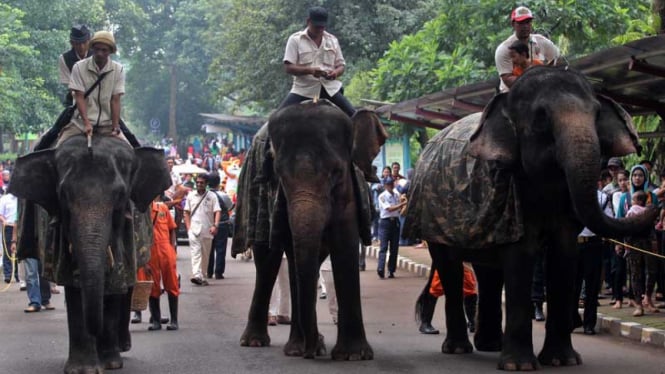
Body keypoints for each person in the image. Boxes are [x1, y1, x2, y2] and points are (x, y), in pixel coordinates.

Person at [55, 30, 138, 147]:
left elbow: (115, 100)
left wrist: (115, 126)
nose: (99, 53)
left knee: (132, 151)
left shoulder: (118, 69)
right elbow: (79, 97)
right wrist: (86, 123)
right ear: (92, 48)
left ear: (110, 52)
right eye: (97, 49)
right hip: (80, 124)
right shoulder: (78, 67)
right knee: (58, 149)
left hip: (107, 124)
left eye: (104, 50)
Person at [278, 6, 355, 117]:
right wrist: (311, 71)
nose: (319, 30)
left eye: (322, 27)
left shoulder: (332, 40)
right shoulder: (295, 40)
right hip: (303, 90)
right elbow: (288, 67)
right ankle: (262, 135)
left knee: (355, 116)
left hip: (330, 90)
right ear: (308, 22)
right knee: (277, 118)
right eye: (316, 26)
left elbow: (341, 65)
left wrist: (335, 73)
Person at [573, 174, 613, 335]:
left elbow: (610, 219)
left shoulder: (603, 198)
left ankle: (589, 323)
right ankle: (572, 318)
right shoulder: (572, 196)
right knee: (572, 285)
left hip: (594, 244)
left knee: (592, 286)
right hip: (574, 244)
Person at [138, 195, 180, 330]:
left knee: (172, 284)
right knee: (153, 287)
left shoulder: (162, 208)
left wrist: (172, 249)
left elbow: (172, 229)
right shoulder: (141, 213)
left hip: (166, 250)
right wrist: (143, 261)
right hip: (150, 252)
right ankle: (156, 320)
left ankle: (174, 320)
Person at [495, 6, 560, 92]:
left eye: (528, 22)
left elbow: (557, 60)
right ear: (513, 24)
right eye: (521, 23)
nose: (525, 26)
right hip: (512, 94)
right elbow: (508, 79)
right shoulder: (504, 49)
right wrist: (535, 80)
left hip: (541, 91)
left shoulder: (542, 42)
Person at [11, 203, 54, 313]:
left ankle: (45, 299)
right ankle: (35, 302)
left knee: (44, 272)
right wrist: (14, 241)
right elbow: (17, 220)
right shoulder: (22, 203)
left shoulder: (43, 200)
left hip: (43, 241)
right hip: (28, 243)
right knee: (31, 273)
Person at [184, 174, 221, 285]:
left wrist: (216, 225)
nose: (199, 184)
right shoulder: (191, 196)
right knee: (195, 253)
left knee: (205, 255)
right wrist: (188, 228)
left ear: (206, 184)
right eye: (198, 182)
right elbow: (186, 212)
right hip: (194, 230)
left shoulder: (212, 196)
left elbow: (217, 211)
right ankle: (196, 274)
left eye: (202, 182)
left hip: (207, 230)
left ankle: (202, 276)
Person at [377, 177, 407, 279]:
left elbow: (401, 206)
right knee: (384, 247)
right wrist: (402, 204)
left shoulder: (397, 194)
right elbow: (389, 209)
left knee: (394, 248)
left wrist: (403, 203)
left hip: (395, 223)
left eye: (391, 184)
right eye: (388, 184)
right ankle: (381, 269)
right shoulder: (382, 196)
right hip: (385, 223)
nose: (390, 186)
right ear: (385, 185)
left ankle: (391, 270)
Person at [206, 173, 233, 280]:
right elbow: (230, 207)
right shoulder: (223, 195)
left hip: (208, 224)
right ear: (218, 182)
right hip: (222, 225)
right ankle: (218, 272)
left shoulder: (205, 195)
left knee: (209, 249)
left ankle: (209, 272)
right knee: (221, 249)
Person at [59, 25, 93, 106]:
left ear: (89, 41)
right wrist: (80, 100)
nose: (82, 47)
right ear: (72, 43)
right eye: (78, 44)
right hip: (74, 100)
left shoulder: (97, 56)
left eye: (84, 43)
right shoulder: (64, 58)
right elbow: (69, 84)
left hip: (97, 98)